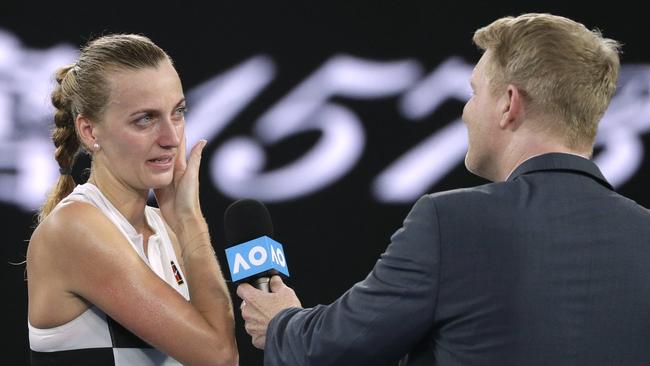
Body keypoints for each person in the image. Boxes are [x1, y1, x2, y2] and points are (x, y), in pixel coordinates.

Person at [237, 13, 650, 365]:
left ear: (509, 104)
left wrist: (280, 321)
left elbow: (332, 346)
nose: (466, 110)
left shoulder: (451, 222)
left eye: (473, 92)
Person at [26, 34, 238, 366]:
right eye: (145, 119)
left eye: (178, 112)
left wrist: (182, 223)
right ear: (90, 131)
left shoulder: (165, 230)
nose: (171, 138)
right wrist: (190, 219)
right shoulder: (76, 229)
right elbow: (219, 355)